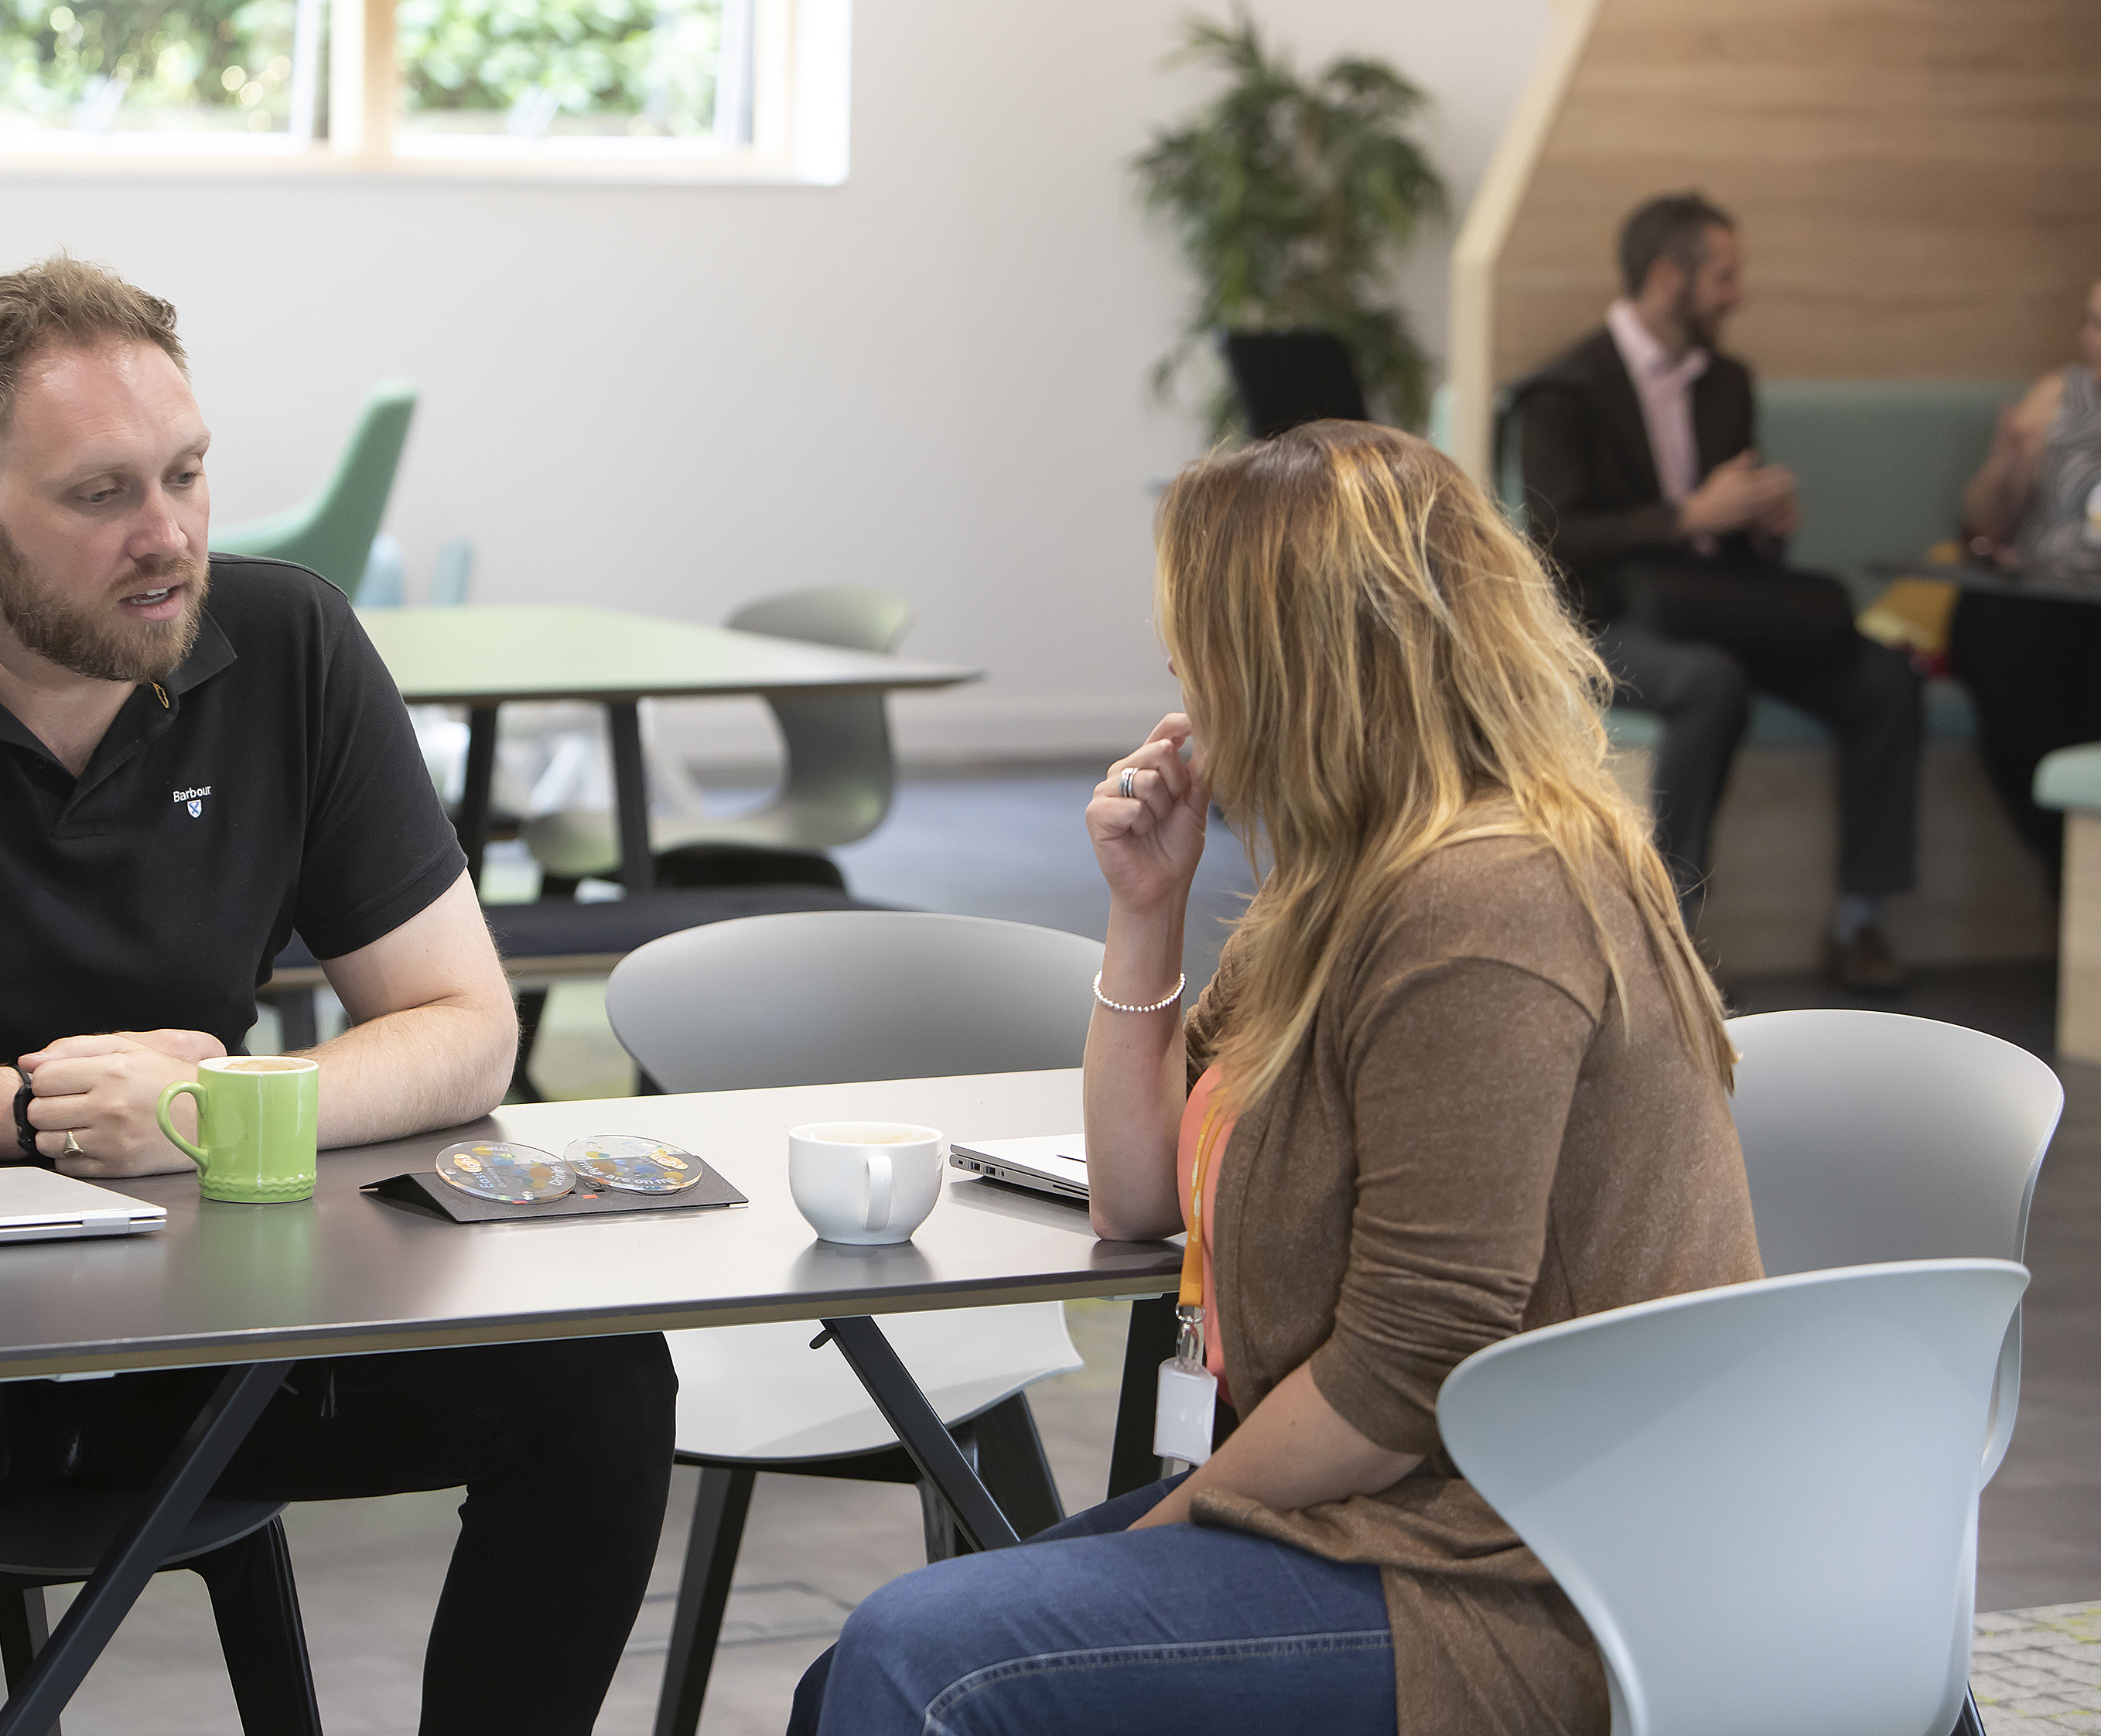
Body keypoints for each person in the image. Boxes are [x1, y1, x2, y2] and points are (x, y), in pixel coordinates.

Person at [0, 257, 675, 1734]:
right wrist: (24, 1112)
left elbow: (463, 1026)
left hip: (194, 1323)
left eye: (190, 474)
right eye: (101, 495)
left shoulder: (289, 647)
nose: (168, 538)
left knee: (594, 1377)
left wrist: (214, 1110)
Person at [787, 421, 1762, 1736]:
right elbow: (1139, 1193)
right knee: (860, 1669)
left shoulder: (1487, 898)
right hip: (1391, 1519)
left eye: (1200, 645)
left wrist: (1172, 1531)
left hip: (1523, 1577)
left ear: (1291, 664)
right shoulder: (1346, 883)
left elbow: (1416, 1359)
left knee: (924, 1658)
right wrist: (1148, 908)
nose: (1182, 676)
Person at [1520, 191, 1923, 989]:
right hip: (1610, 616)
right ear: (1670, 277)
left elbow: (1733, 536)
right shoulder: (1560, 390)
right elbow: (1556, 544)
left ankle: (1858, 921)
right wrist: (1686, 515)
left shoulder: (1726, 381)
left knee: (1881, 676)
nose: (1737, 298)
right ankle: (1667, 934)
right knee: (1711, 682)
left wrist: (1762, 524)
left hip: (1716, 603)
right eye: (1725, 278)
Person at [1946, 275, 2101, 884]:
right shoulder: (2060, 395)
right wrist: (2003, 470)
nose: (2091, 339)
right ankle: (2068, 864)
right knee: (1987, 622)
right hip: (2042, 595)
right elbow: (1979, 528)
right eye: (2090, 322)